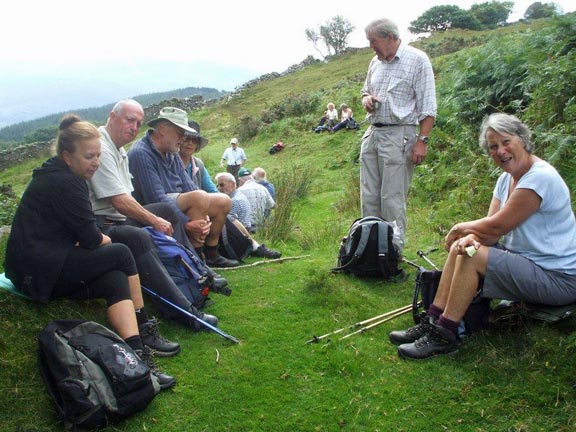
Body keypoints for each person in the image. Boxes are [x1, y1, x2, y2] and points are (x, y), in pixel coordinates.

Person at [3, 115, 177, 389]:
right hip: (36, 273)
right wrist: (101, 239)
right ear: (67, 155)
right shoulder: (67, 182)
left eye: (98, 155)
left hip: (38, 265)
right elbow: (92, 240)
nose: (95, 162)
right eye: (88, 156)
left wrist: (89, 239)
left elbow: (75, 234)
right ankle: (145, 330)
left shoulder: (57, 173)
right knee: (120, 253)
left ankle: (137, 357)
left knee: (114, 279)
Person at [390, 113, 576, 360]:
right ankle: (432, 320)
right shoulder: (505, 179)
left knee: (471, 253)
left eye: (506, 142)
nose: (500, 151)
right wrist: (466, 238)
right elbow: (485, 233)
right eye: (493, 146)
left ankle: (446, 334)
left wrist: (459, 229)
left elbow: (495, 228)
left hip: (558, 279)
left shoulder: (540, 177)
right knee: (463, 248)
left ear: (522, 139)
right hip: (531, 266)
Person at [87, 99, 220, 328]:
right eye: (130, 120)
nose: (135, 127)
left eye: (138, 122)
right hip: (103, 223)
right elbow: (119, 200)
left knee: (167, 210)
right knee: (140, 236)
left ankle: (198, 273)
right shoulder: (102, 147)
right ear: (112, 116)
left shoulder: (119, 149)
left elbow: (131, 197)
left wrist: (163, 218)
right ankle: (184, 311)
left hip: (117, 216)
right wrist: (153, 220)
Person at [360, 18, 437, 254]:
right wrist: (366, 100)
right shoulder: (375, 62)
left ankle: (392, 254)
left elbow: (429, 107)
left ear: (391, 37)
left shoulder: (417, 60)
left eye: (374, 41)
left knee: (392, 198)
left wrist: (421, 142)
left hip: (400, 134)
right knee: (369, 195)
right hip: (373, 133)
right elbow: (365, 91)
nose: (371, 46)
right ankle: (370, 251)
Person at [128, 107, 239, 268]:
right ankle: (197, 262)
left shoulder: (171, 152)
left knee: (223, 201)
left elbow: (189, 185)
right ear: (164, 130)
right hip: (153, 210)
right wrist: (186, 222)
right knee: (198, 197)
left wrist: (205, 216)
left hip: (175, 202)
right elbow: (156, 198)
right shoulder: (141, 153)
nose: (183, 138)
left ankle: (211, 253)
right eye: (180, 133)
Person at [215, 172, 281, 259]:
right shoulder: (239, 194)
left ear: (233, 184)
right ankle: (256, 247)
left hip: (239, 237)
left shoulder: (233, 201)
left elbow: (229, 224)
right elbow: (273, 206)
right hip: (254, 226)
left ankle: (253, 247)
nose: (219, 188)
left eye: (222, 185)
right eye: (218, 186)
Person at [178, 120, 218, 193]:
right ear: (179, 140)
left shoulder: (198, 164)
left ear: (197, 145)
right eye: (187, 139)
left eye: (194, 140)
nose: (190, 143)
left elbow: (212, 190)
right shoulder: (170, 162)